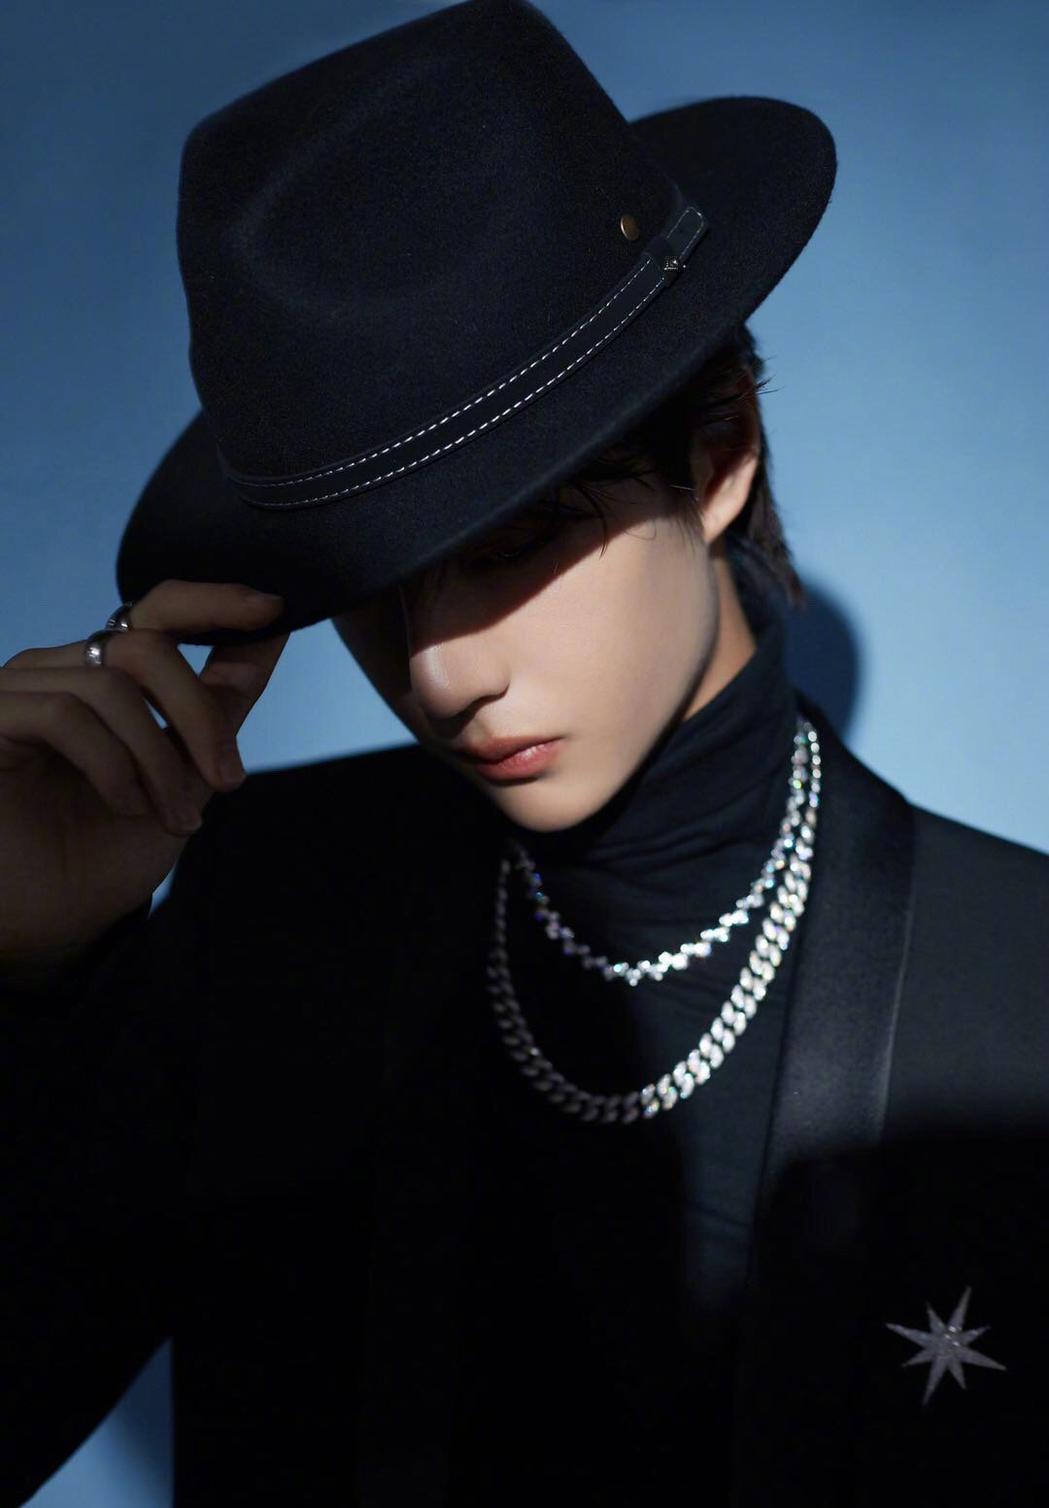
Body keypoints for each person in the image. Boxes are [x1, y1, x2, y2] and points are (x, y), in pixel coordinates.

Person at [1, 2, 1046, 1505]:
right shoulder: (268, 926)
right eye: (371, 580)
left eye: (513, 540)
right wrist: (23, 976)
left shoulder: (1019, 992)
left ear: (715, 458)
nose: (439, 673)